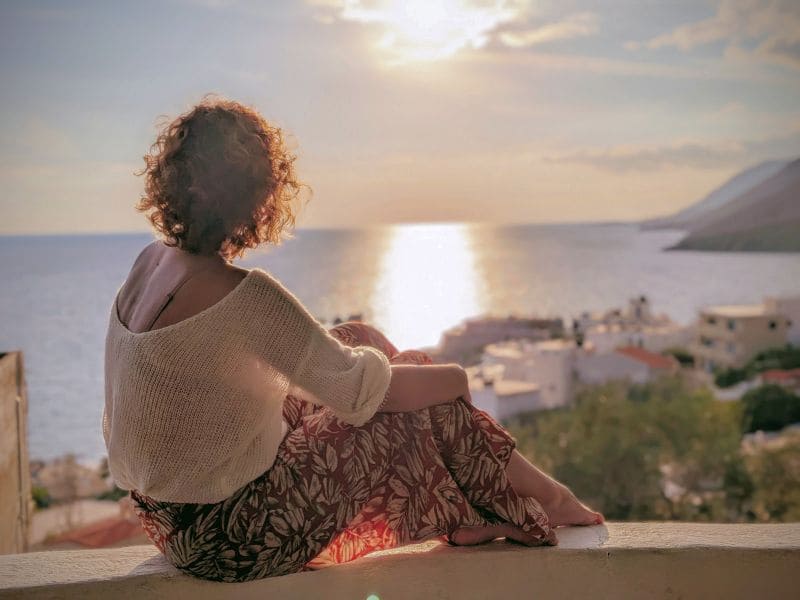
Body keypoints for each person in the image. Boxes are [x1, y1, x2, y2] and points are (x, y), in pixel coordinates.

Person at [104, 97, 603, 582]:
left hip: (165, 520)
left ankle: (478, 509)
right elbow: (364, 393)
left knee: (362, 339)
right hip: (232, 537)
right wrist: (455, 379)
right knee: (425, 390)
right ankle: (541, 501)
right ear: (257, 196)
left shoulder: (149, 263)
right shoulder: (243, 296)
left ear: (172, 177)